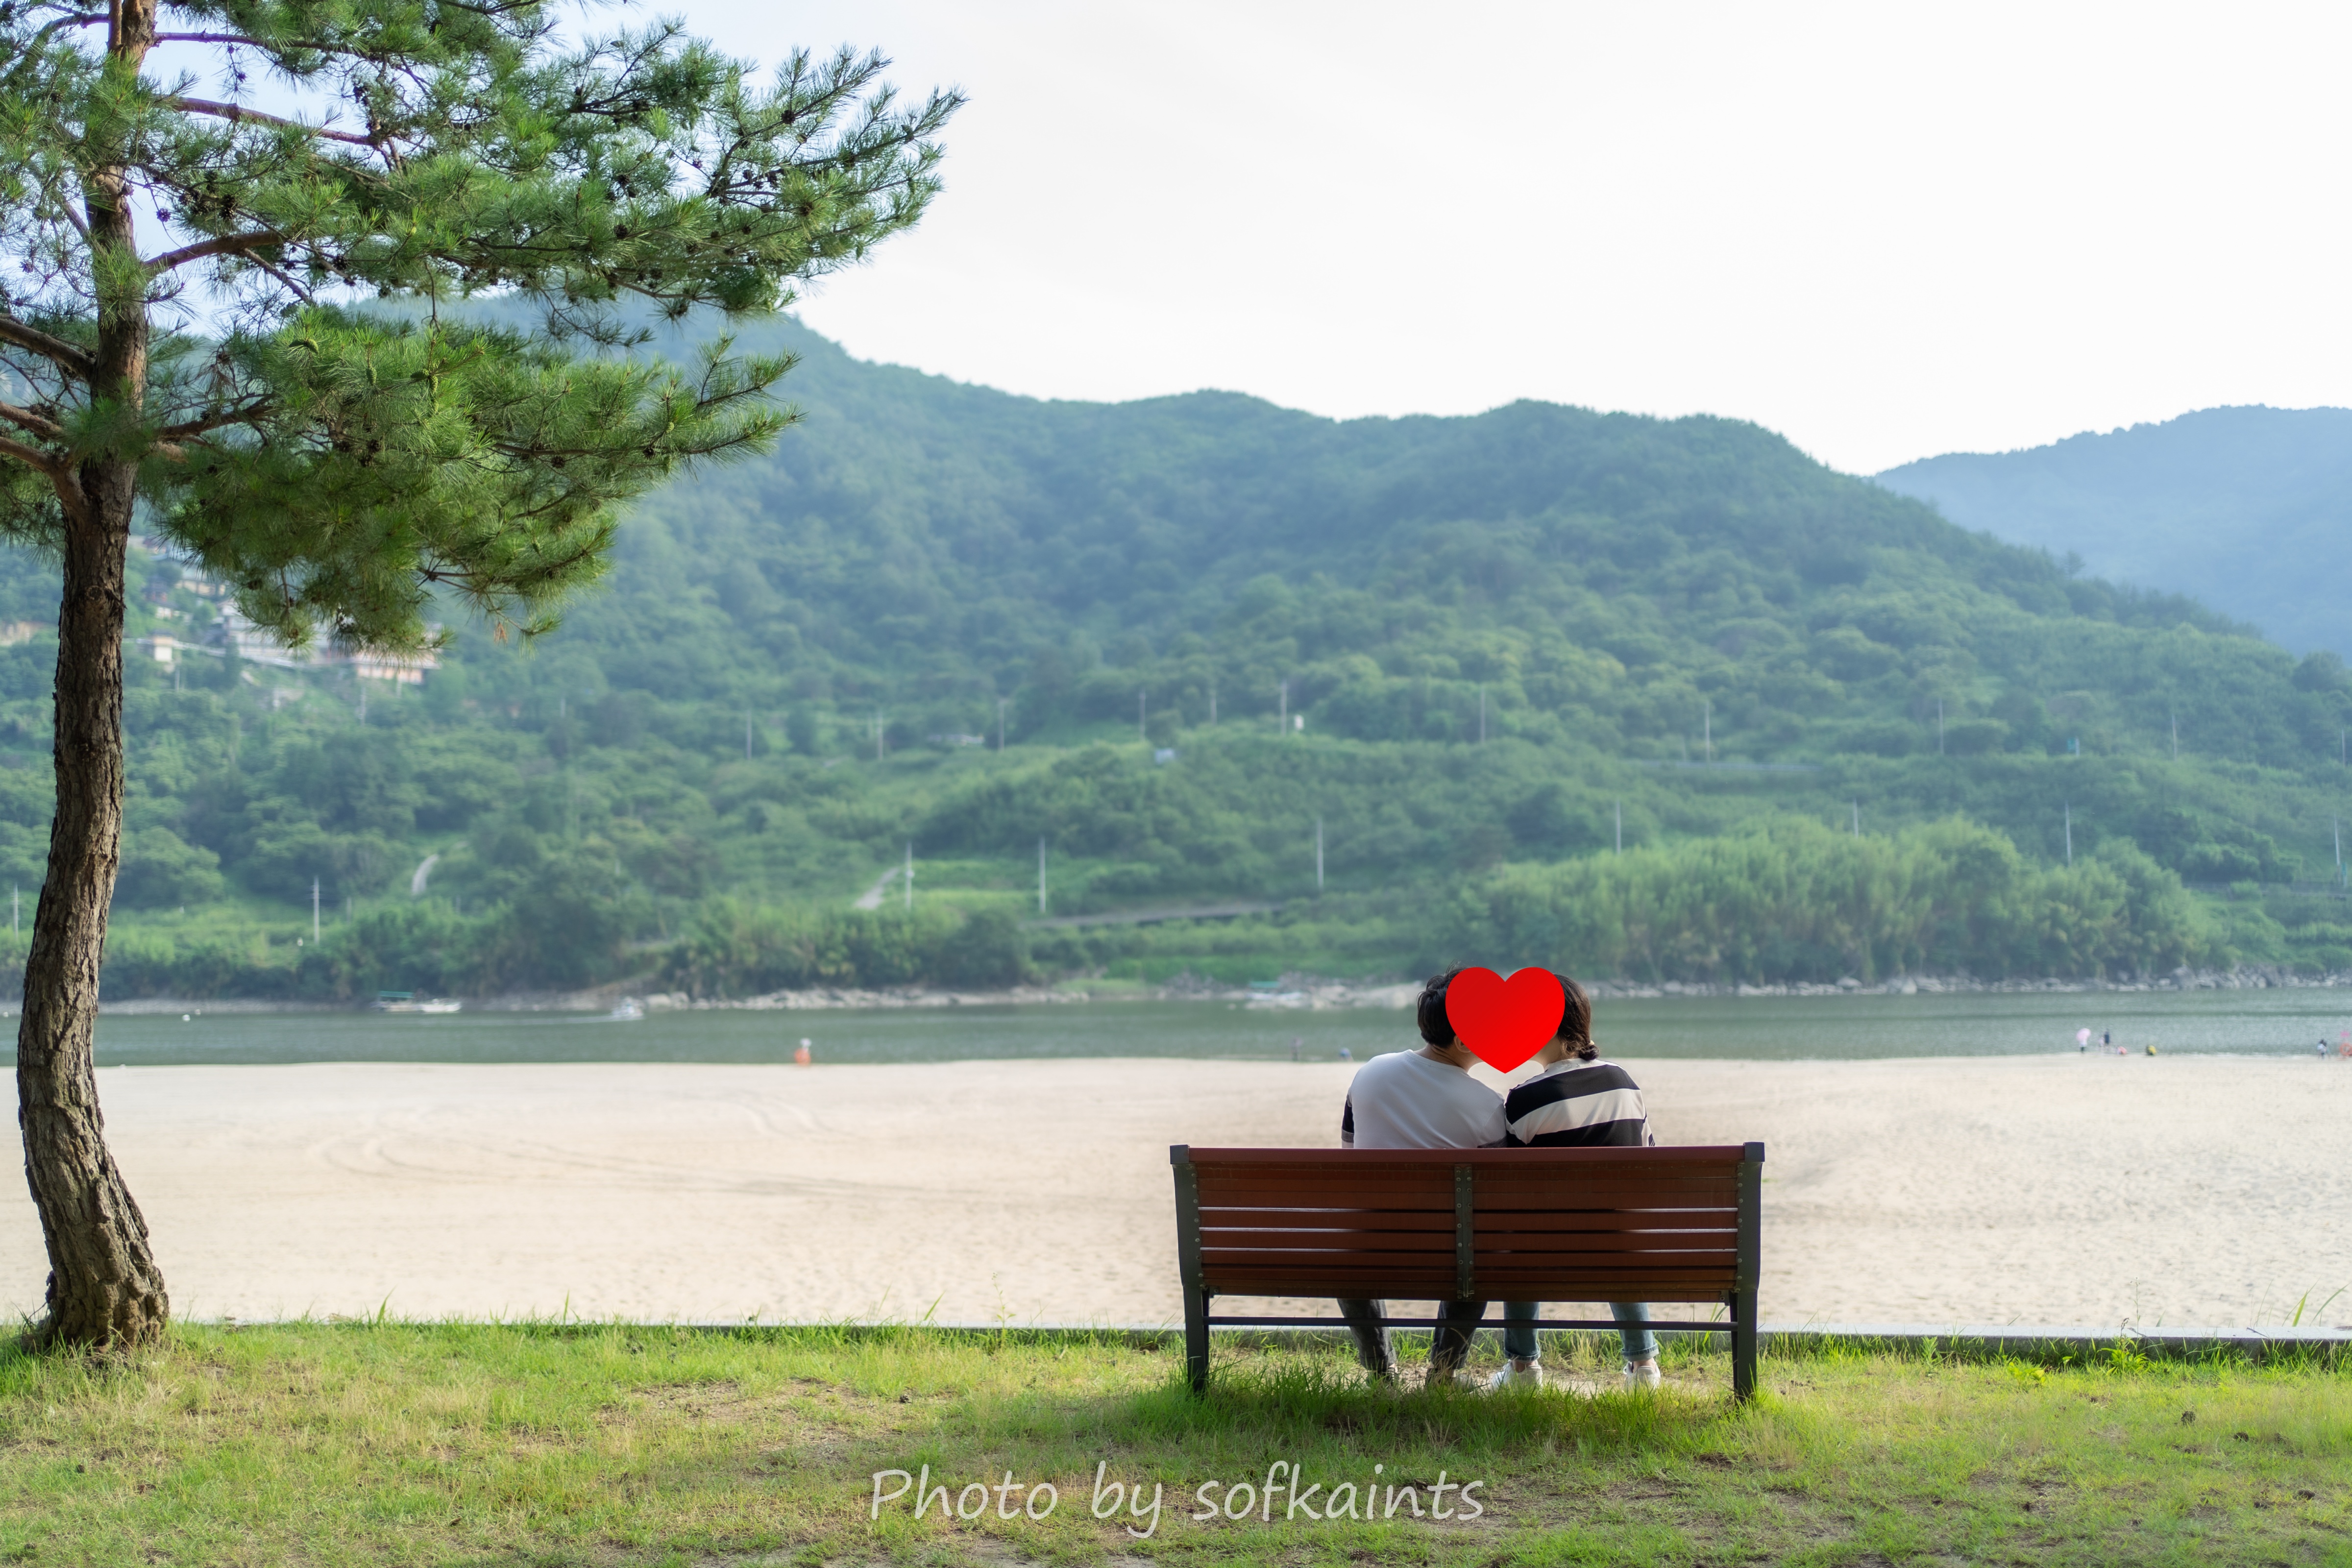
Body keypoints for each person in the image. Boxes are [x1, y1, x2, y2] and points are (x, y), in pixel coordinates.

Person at [1488, 971, 1662, 1394]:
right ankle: (1644, 1365)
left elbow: (1509, 1185)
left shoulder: (1524, 1099)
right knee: (1618, 1227)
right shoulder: (1624, 1082)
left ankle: (1523, 1368)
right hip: (1617, 1247)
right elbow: (1648, 1158)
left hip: (1545, 1250)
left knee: (1516, 1238)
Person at [1336, 966, 1506, 1387]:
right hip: (1452, 1255)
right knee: (1480, 1246)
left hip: (1369, 1247)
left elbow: (1349, 1156)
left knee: (1354, 1239)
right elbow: (1496, 1195)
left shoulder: (1369, 1072)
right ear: (1463, 1041)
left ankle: (1382, 1372)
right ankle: (1444, 1372)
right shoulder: (1487, 1106)